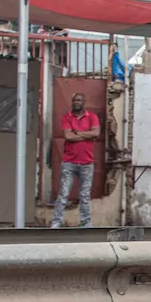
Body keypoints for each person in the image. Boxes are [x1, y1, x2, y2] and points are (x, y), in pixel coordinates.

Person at [51, 93, 101, 229]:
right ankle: (57, 222)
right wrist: (87, 134)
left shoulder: (92, 117)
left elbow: (96, 133)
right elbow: (68, 136)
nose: (76, 102)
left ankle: (85, 223)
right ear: (72, 102)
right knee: (63, 193)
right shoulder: (66, 117)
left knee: (84, 195)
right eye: (74, 100)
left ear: (84, 102)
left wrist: (77, 132)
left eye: (79, 100)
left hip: (87, 163)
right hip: (69, 162)